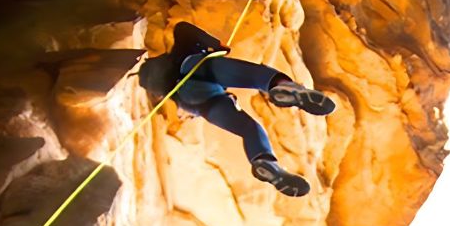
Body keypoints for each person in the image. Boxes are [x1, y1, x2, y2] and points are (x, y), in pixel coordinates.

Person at [137, 21, 335, 197]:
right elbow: (183, 29)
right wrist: (215, 46)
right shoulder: (183, 52)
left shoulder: (173, 81)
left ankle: (266, 162)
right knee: (254, 85)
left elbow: (183, 29)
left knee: (248, 126)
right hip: (197, 75)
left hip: (192, 98)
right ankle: (284, 90)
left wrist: (215, 49)